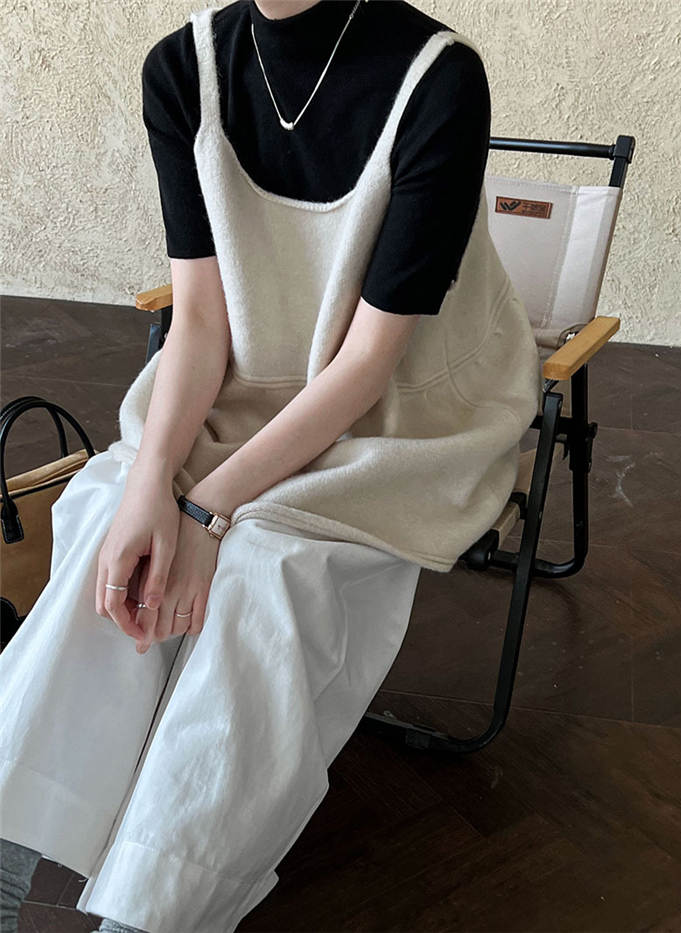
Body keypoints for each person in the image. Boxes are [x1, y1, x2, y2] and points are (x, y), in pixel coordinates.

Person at [0, 1, 540, 931]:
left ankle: (155, 909)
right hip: (239, 381)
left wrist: (207, 510)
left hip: (402, 411)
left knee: (267, 572)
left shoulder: (439, 79)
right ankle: (12, 855)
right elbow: (201, 323)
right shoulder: (182, 70)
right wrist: (154, 486)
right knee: (107, 522)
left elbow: (368, 367)